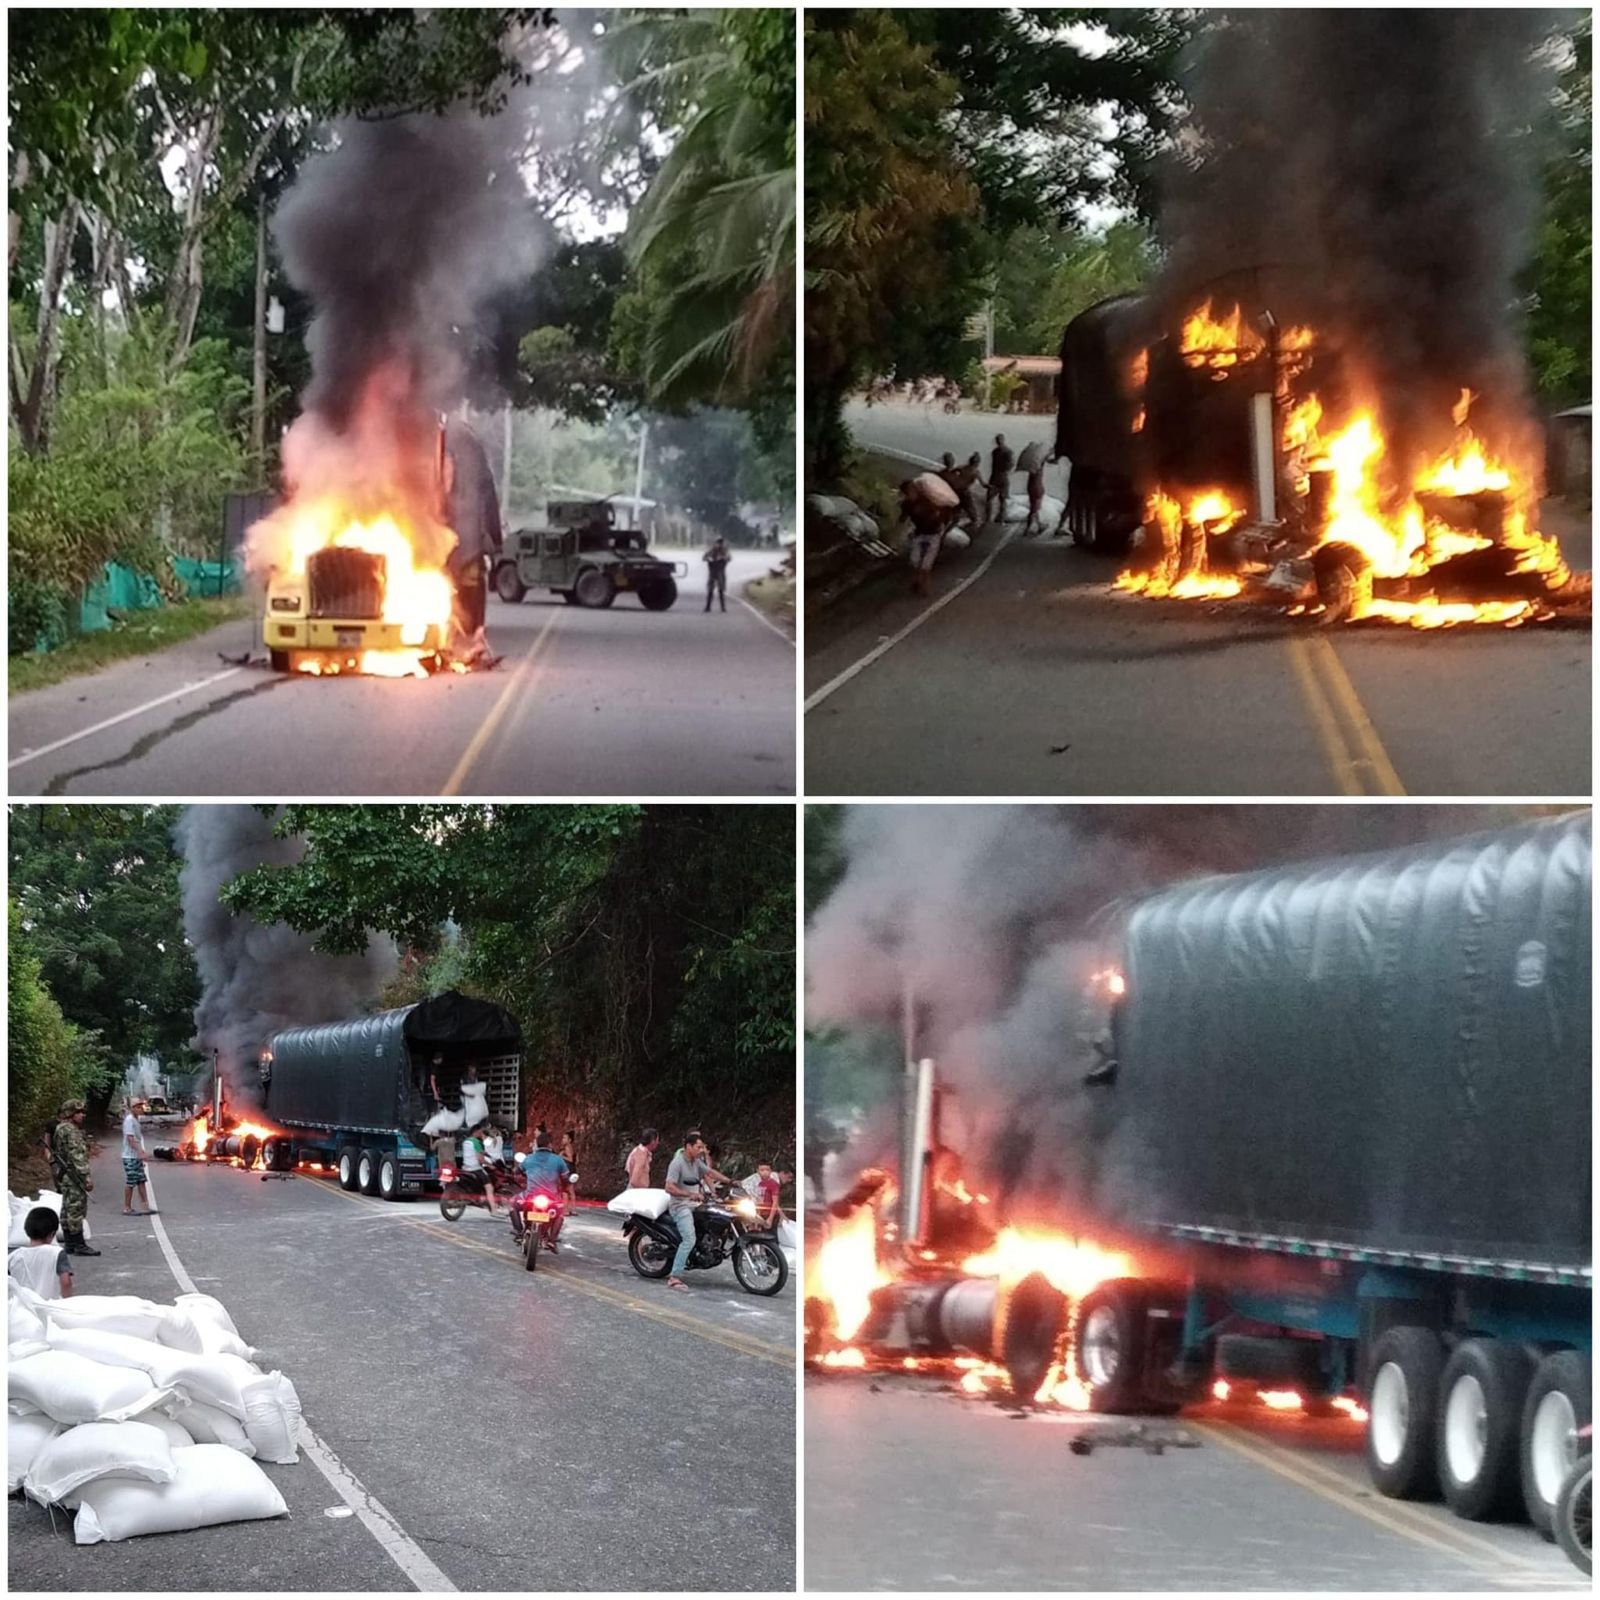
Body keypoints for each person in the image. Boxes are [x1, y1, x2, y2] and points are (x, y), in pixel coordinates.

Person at [663, 1130, 735, 1291]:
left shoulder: (696, 1162)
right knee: (689, 1239)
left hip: (694, 1204)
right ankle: (674, 1277)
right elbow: (669, 1187)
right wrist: (690, 1194)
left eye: (702, 1147)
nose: (701, 1150)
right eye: (698, 1147)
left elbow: (709, 1173)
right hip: (680, 1206)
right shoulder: (677, 1163)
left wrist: (730, 1181)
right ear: (688, 1147)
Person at [51, 1100, 100, 1257]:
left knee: (66, 1207)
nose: (82, 1115)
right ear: (70, 1114)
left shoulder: (60, 1128)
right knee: (76, 1208)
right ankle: (79, 1244)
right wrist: (86, 1178)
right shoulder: (72, 1131)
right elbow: (77, 1156)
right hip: (74, 1175)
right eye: (79, 1113)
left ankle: (70, 1243)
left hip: (65, 1175)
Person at [520, 1131, 571, 1248]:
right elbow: (565, 1177)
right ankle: (552, 1240)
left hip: (531, 1195)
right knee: (559, 1215)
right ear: (550, 1145)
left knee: (517, 1204)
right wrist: (565, 1187)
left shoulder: (529, 1159)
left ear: (537, 1145)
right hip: (551, 1197)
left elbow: (518, 1172)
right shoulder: (558, 1160)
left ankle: (524, 1228)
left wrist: (523, 1178)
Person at [8, 1206, 73, 1298]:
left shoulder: (14, 1256)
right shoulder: (56, 1253)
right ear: (52, 1234)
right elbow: (66, 1282)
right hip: (49, 1307)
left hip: (22, 1307)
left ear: (26, 1231)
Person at [120, 1098, 157, 1217]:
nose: (140, 1109)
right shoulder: (129, 1120)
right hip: (130, 1156)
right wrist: (140, 1151)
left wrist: (140, 1152)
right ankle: (127, 1207)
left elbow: (136, 1138)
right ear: (132, 1108)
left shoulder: (136, 1120)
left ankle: (145, 1206)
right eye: (137, 1107)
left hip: (135, 1156)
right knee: (131, 1181)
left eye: (141, 1106)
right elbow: (130, 1139)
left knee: (141, 1180)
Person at [460, 1121, 499, 1215]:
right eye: (480, 1132)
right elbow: (480, 1159)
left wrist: (487, 1154)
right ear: (476, 1132)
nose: (481, 1134)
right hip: (476, 1169)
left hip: (465, 1168)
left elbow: (477, 1152)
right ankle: (494, 1210)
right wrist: (490, 1165)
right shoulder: (477, 1142)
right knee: (489, 1187)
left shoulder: (466, 1142)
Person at [740, 1161, 785, 1228]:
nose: (765, 1172)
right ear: (758, 1171)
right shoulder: (759, 1183)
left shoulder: (774, 1184)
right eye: (762, 1170)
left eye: (767, 1170)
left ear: (770, 1171)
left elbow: (775, 1202)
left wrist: (770, 1219)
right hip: (761, 1214)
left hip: (770, 1215)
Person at [985, 434, 1015, 525]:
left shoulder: (995, 452)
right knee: (1001, 499)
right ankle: (1000, 519)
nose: (999, 441)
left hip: (996, 476)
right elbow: (1011, 465)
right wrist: (1006, 469)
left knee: (993, 498)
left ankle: (991, 519)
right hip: (1001, 476)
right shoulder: (1008, 451)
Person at [703, 536, 731, 613]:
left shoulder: (724, 551)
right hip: (712, 571)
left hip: (720, 572)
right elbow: (704, 557)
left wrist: (722, 558)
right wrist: (709, 559)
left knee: (721, 590)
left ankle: (723, 607)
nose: (720, 544)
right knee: (710, 590)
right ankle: (708, 607)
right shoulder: (712, 550)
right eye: (718, 542)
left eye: (721, 543)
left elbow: (729, 558)